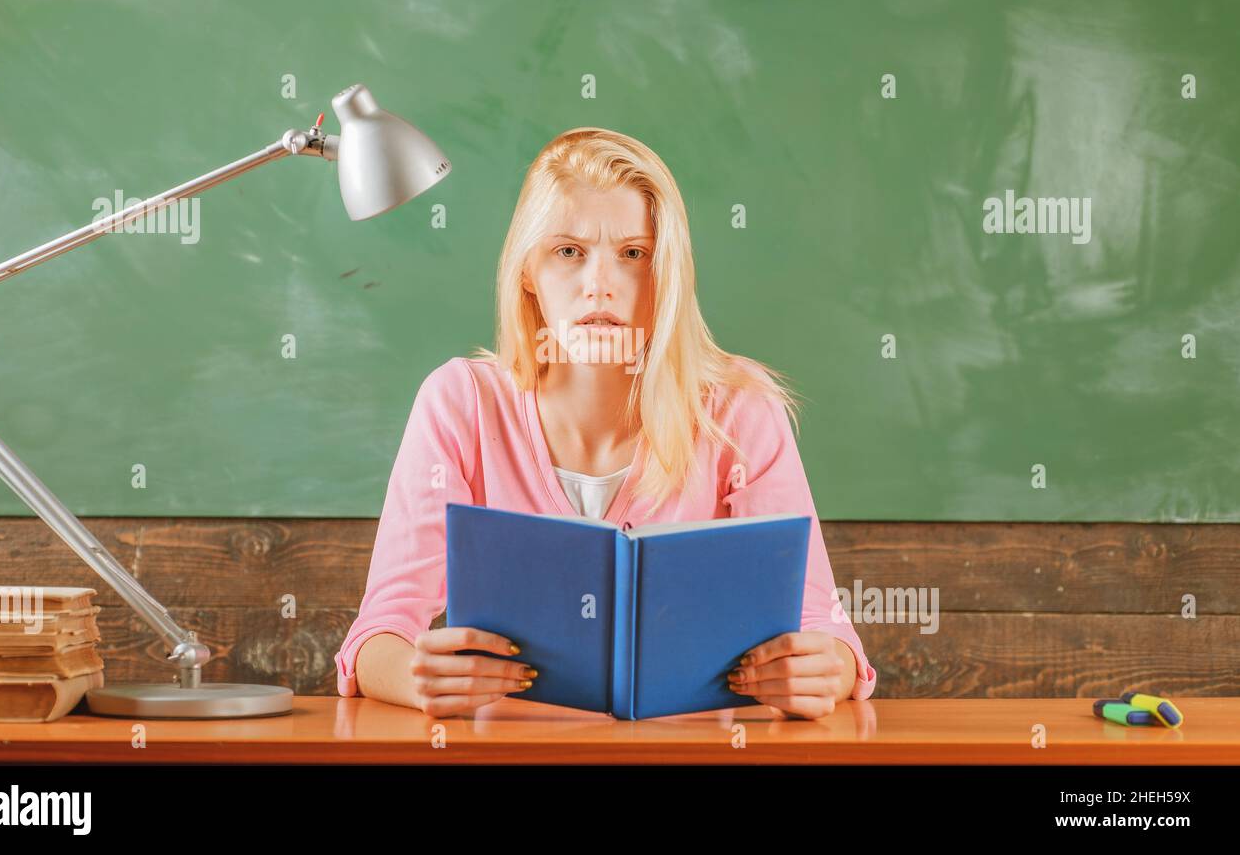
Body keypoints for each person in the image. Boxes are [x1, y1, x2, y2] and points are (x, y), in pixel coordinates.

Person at [334, 126, 877, 718]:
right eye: (568, 252)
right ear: (527, 273)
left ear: (667, 273)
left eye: (633, 254)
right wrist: (420, 677)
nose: (600, 284)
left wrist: (828, 670)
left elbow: (825, 628)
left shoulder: (740, 411)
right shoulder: (461, 403)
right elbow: (379, 631)